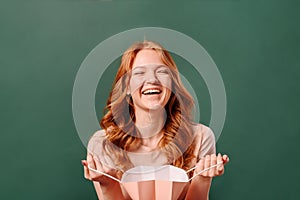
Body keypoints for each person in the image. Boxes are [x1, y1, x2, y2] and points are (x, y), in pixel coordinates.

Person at [81, 40, 229, 200]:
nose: (152, 79)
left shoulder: (200, 137)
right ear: (127, 87)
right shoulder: (102, 144)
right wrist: (107, 184)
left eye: (161, 71)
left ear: (172, 83)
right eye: (139, 73)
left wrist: (202, 180)